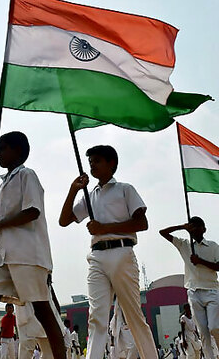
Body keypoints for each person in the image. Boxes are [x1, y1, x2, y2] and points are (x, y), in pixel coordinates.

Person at [58, 145, 156, 359]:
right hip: (97, 256)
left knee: (133, 317)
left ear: (111, 163)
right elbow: (64, 220)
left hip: (122, 252)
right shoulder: (89, 195)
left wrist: (105, 228)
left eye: (97, 160)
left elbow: (142, 223)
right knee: (96, 317)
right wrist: (74, 189)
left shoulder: (125, 189)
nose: (92, 165)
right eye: (90, 162)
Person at [0, 132, 66, 359]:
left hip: (28, 254)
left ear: (17, 151)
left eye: (2, 148)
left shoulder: (27, 175)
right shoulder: (3, 184)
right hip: (4, 255)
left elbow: (32, 211)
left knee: (42, 312)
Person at [160, 219, 219, 359]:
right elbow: (163, 232)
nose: (194, 230)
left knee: (215, 328)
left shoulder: (213, 246)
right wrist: (181, 226)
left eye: (197, 227)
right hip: (194, 292)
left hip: (211, 290)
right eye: (191, 227)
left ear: (204, 229)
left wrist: (200, 261)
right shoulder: (185, 245)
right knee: (203, 331)